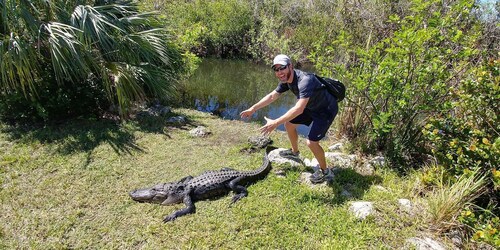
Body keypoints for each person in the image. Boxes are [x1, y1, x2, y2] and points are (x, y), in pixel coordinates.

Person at [240, 54, 338, 184]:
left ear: (290, 66)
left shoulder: (305, 80)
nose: (280, 72)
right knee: (289, 124)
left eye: (283, 68)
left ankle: (326, 172)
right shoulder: (287, 80)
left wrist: (275, 122)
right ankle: (295, 152)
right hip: (311, 106)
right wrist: (253, 109)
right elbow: (272, 96)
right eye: (276, 69)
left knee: (312, 142)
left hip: (325, 110)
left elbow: (298, 109)